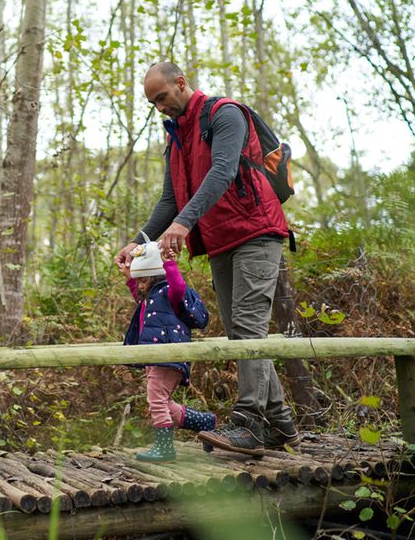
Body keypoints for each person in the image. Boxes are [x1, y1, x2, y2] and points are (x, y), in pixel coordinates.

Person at [114, 62, 299, 457]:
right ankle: (280, 422)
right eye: (152, 102)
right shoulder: (176, 139)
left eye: (162, 97)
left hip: (257, 233)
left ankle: (249, 424)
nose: (159, 107)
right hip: (220, 241)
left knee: (248, 328)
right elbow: (169, 200)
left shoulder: (224, 114)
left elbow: (223, 171)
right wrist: (137, 242)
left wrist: (183, 224)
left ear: (181, 83)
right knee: (240, 334)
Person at [121, 235, 217, 462]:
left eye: (143, 280)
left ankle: (164, 449)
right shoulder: (150, 297)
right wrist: (129, 276)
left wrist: (169, 263)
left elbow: (179, 287)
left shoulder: (169, 294)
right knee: (162, 401)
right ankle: (205, 423)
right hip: (154, 357)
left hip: (168, 355)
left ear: (156, 277)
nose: (140, 286)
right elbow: (140, 296)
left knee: (155, 400)